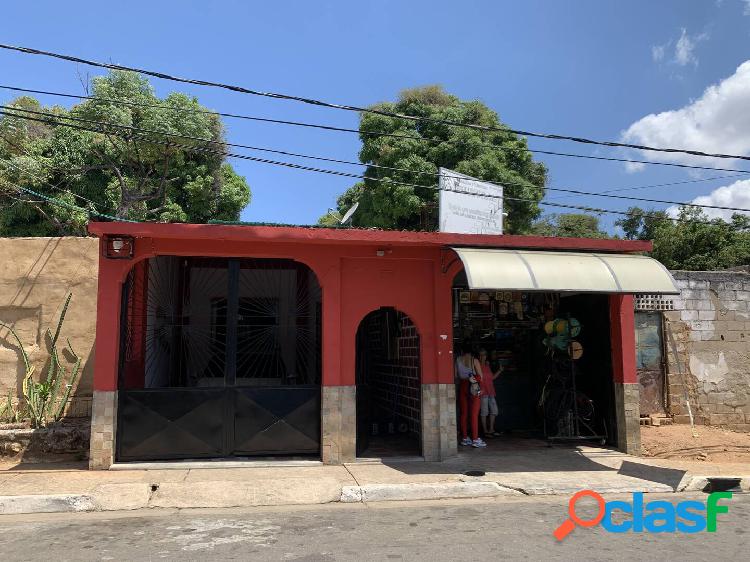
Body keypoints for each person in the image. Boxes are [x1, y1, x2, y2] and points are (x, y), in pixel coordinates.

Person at [455, 343, 486, 448]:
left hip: (462, 386)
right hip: (473, 386)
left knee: (464, 413)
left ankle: (464, 438)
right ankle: (475, 439)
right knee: (474, 414)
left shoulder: (458, 360)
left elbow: (456, 376)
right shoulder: (474, 360)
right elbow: (481, 377)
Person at [478, 348, 502, 437]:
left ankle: (491, 429)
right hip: (483, 392)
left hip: (491, 391)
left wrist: (499, 371)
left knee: (494, 410)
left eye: (484, 355)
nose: (482, 357)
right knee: (484, 412)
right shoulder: (477, 365)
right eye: (481, 355)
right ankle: (485, 431)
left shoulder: (487, 366)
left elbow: (492, 378)